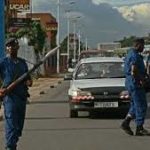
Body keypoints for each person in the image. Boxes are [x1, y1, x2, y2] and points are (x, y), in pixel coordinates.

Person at [0, 37, 32, 150]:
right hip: (9, 97)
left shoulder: (22, 63)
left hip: (21, 97)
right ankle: (10, 147)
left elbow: (29, 79)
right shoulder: (3, 63)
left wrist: (28, 82)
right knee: (11, 123)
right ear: (6, 49)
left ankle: (13, 143)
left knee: (18, 126)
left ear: (17, 47)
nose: (11, 48)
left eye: (13, 46)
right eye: (9, 46)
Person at [121, 38, 150, 136]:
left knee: (134, 104)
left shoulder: (130, 54)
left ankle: (126, 122)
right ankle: (139, 128)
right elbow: (134, 70)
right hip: (136, 83)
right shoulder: (134, 56)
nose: (143, 48)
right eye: (142, 45)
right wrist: (142, 80)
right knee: (141, 105)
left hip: (130, 83)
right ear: (138, 45)